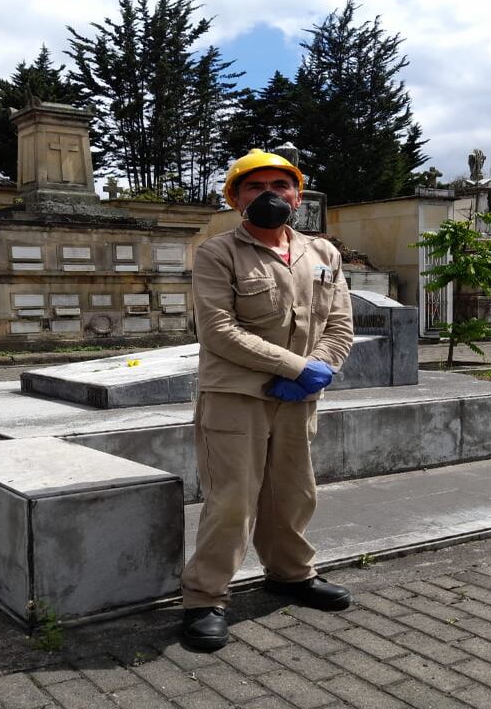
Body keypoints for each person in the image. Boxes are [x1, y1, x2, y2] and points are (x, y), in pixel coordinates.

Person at [180, 149, 355, 652]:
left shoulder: (324, 253)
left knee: (293, 492)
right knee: (233, 498)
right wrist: (297, 368)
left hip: (299, 397)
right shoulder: (217, 253)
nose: (270, 195)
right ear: (236, 198)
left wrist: (319, 371)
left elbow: (339, 323)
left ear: (297, 195)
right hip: (236, 395)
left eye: (281, 185)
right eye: (255, 187)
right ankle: (204, 598)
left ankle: (290, 575)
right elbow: (217, 331)